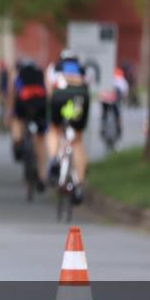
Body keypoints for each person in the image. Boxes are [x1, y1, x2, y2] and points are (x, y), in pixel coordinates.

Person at [46, 49, 90, 204]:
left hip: (60, 96)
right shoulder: (83, 69)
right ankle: (79, 185)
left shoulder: (54, 68)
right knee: (77, 140)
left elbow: (49, 91)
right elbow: (88, 87)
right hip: (80, 97)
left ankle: (54, 160)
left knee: (54, 129)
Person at [6, 57, 48, 190]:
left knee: (18, 121)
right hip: (40, 104)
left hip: (23, 103)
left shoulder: (17, 73)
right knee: (40, 141)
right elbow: (47, 91)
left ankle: (18, 142)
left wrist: (9, 112)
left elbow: (12, 93)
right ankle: (42, 177)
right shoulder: (40, 73)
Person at [99, 65, 129, 141]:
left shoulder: (111, 79)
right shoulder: (123, 82)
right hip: (115, 100)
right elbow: (125, 93)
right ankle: (119, 129)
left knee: (105, 113)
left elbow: (103, 93)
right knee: (118, 115)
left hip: (107, 100)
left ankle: (103, 125)